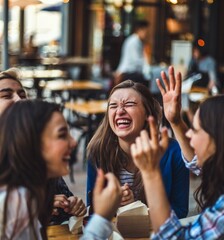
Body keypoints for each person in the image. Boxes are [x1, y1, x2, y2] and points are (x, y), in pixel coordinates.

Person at [131, 66, 224, 239]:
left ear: (219, 140)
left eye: (195, 130)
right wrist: (175, 121)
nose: (188, 134)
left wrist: (151, 173)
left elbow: (173, 237)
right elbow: (197, 164)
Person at [0, 100, 122, 240]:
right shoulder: (14, 205)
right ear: (30, 143)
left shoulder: (25, 196)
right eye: (62, 135)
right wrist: (102, 218)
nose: (74, 142)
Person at [87, 80, 189, 218]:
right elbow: (92, 210)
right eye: (113, 106)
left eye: (129, 104)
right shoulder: (97, 152)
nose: (120, 111)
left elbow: (180, 211)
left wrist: (136, 207)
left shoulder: (173, 152)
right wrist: (110, 205)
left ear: (148, 114)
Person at [0, 68, 86, 225]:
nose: (19, 100)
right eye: (6, 95)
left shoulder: (37, 155)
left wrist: (71, 204)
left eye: (22, 95)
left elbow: (63, 203)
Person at [114, 20, 150, 87]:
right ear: (139, 30)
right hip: (128, 73)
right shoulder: (134, 41)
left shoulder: (137, 41)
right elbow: (136, 61)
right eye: (146, 31)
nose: (147, 34)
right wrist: (147, 60)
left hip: (129, 73)